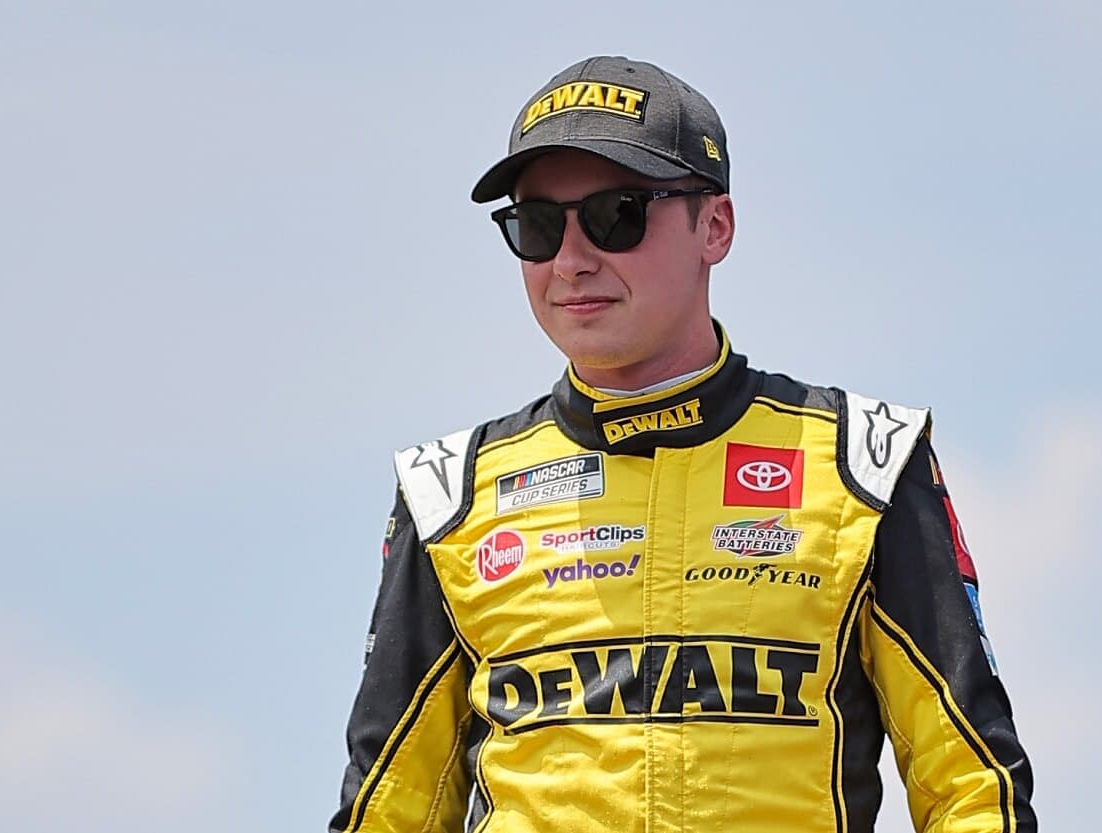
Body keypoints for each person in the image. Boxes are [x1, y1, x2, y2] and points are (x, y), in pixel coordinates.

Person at [329, 55, 1036, 833]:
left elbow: (974, 791)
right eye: (536, 226)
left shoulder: (865, 463)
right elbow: (384, 812)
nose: (571, 259)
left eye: (616, 213)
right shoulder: (448, 497)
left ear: (716, 226)